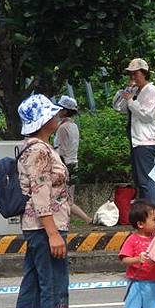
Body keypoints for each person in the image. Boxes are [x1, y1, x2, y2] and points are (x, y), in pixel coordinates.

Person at [10, 94, 85, 308]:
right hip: (46, 225)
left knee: (33, 281)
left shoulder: (28, 147)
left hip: (34, 226)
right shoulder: (40, 151)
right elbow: (41, 194)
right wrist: (53, 233)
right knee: (54, 282)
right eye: (52, 114)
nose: (57, 117)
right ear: (43, 121)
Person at [113, 58, 155, 198]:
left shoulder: (151, 91)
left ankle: (153, 213)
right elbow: (118, 107)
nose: (133, 77)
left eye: (136, 74)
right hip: (136, 140)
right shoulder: (135, 91)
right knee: (140, 180)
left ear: (144, 73)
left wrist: (131, 101)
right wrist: (127, 93)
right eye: (131, 74)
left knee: (147, 181)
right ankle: (145, 213)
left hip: (147, 141)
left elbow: (147, 115)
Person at [54, 95, 93, 224]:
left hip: (64, 163)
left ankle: (86, 219)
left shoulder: (62, 128)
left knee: (65, 198)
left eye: (60, 108)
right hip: (73, 162)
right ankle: (73, 220)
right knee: (66, 197)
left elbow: (61, 149)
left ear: (65, 111)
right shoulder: (73, 126)